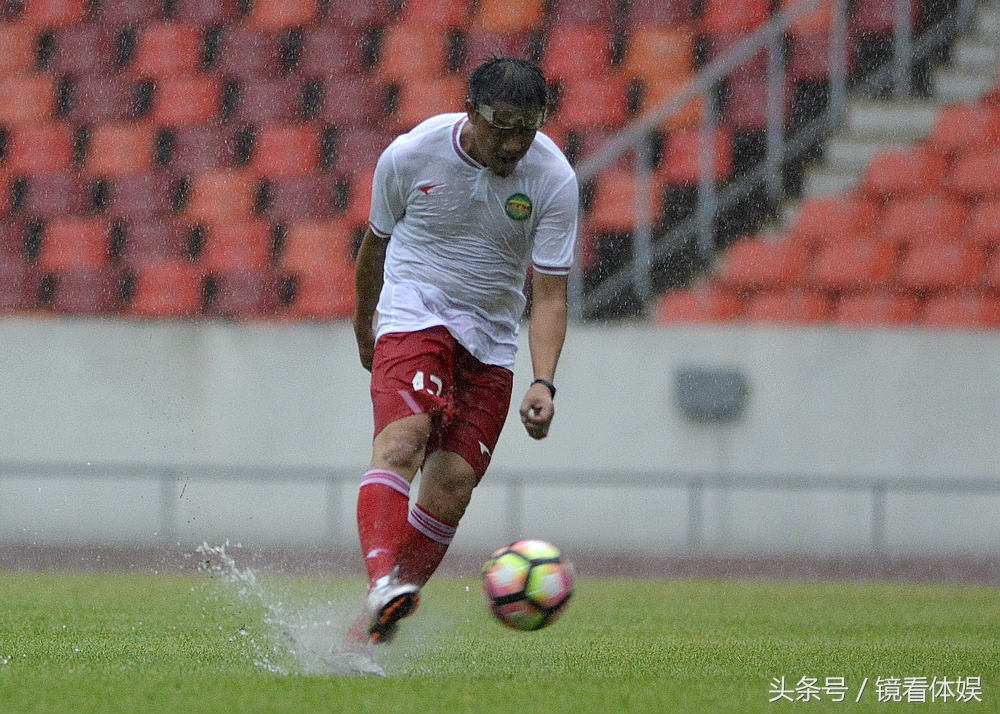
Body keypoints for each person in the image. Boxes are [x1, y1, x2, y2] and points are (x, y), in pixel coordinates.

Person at [340, 57, 579, 659]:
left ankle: (369, 630)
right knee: (402, 443)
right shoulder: (410, 155)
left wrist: (544, 382)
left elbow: (548, 292)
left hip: (491, 341)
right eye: (500, 125)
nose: (513, 142)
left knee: (451, 488)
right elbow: (374, 248)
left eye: (527, 127)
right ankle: (381, 588)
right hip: (416, 311)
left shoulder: (553, 178)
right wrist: (364, 328)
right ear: (469, 109)